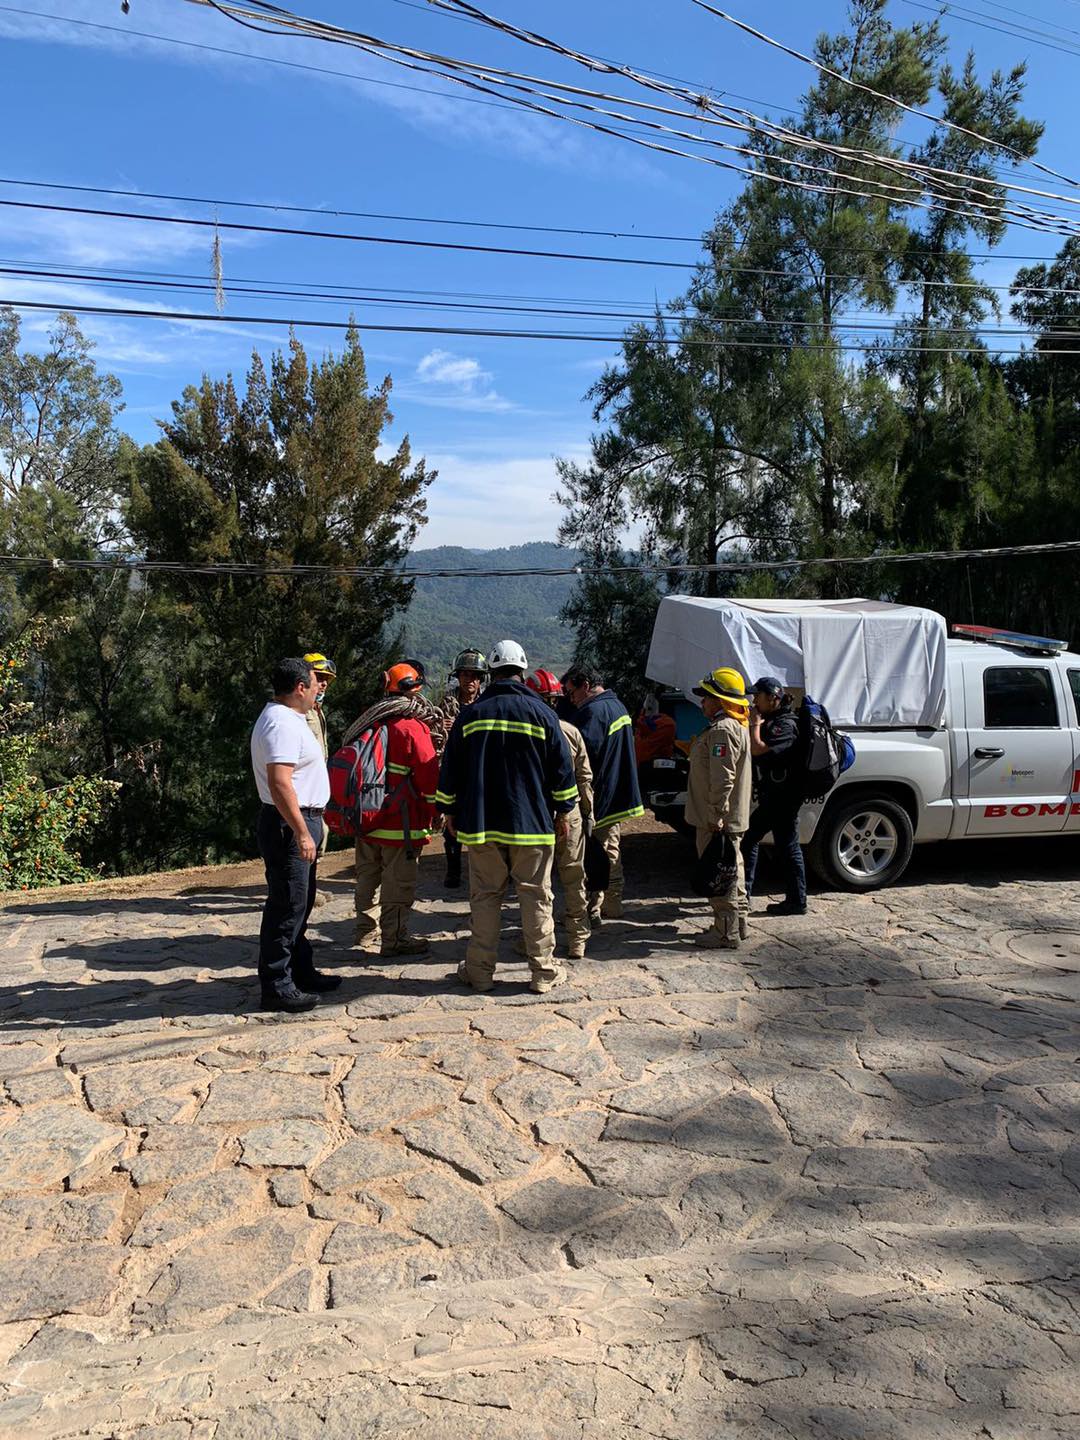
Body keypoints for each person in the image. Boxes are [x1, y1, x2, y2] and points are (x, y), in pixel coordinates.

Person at [436, 640, 578, 994]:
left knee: (485, 897)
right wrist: (563, 811)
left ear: (491, 673)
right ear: (523, 670)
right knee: (536, 897)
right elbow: (563, 772)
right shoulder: (544, 714)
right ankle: (543, 973)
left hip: (483, 826)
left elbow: (450, 768)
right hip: (532, 824)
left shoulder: (471, 715)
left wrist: (449, 810)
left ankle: (480, 974)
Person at [250, 657, 338, 1012]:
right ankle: (277, 985)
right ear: (299, 687)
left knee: (298, 903)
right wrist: (302, 832)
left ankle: (300, 970)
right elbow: (280, 781)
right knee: (287, 906)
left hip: (300, 819)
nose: (320, 687)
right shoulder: (281, 723)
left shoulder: (289, 718)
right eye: (316, 682)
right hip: (291, 823)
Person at [347, 662, 441, 957]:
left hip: (365, 818)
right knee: (398, 883)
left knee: (367, 877)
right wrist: (435, 810)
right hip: (402, 823)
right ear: (414, 690)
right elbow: (428, 778)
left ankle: (364, 932)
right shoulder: (413, 728)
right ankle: (395, 939)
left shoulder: (368, 722)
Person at [561, 665, 644, 921]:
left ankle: (597, 908)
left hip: (599, 796)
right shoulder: (616, 706)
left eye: (572, 691)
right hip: (617, 790)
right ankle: (609, 904)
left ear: (585, 684)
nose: (571, 699)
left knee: (598, 855)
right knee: (609, 850)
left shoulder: (592, 713)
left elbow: (582, 756)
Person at [526, 668, 593, 961]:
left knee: (538, 883)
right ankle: (578, 939)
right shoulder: (571, 731)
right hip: (571, 814)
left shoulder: (525, 732)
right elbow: (585, 778)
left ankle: (541, 940)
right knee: (574, 878)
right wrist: (589, 814)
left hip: (538, 817)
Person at [686, 667, 753, 949]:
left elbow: (722, 778)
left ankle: (724, 932)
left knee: (720, 874)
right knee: (733, 869)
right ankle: (738, 924)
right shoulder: (736, 726)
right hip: (729, 817)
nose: (702, 702)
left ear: (720, 700)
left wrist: (715, 816)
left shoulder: (723, 731)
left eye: (707, 697)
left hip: (717, 819)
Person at [743, 676, 808, 916]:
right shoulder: (775, 720)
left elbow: (758, 749)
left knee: (752, 839)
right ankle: (796, 900)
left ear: (773, 698)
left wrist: (754, 724)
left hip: (783, 797)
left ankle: (745, 894)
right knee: (786, 845)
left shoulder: (785, 725)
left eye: (757, 696)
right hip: (778, 795)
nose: (754, 701)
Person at [438, 646, 489, 889]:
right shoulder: (447, 702)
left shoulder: (487, 703)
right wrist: (442, 727)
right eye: (466, 675)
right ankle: (454, 869)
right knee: (452, 820)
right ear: (458, 677)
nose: (470, 680)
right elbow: (434, 733)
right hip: (456, 767)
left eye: (475, 676)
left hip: (480, 768)